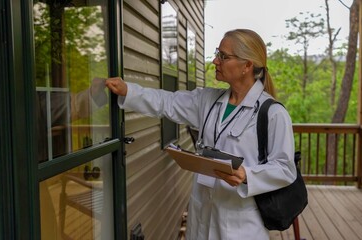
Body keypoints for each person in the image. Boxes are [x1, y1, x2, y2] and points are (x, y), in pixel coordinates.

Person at [105, 29, 297, 240]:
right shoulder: (208, 101)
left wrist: (247, 176)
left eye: (223, 56)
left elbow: (285, 169)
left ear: (247, 65)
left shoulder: (273, 113)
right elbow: (166, 102)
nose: (215, 60)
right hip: (202, 215)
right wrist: (128, 91)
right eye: (217, 53)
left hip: (240, 224)